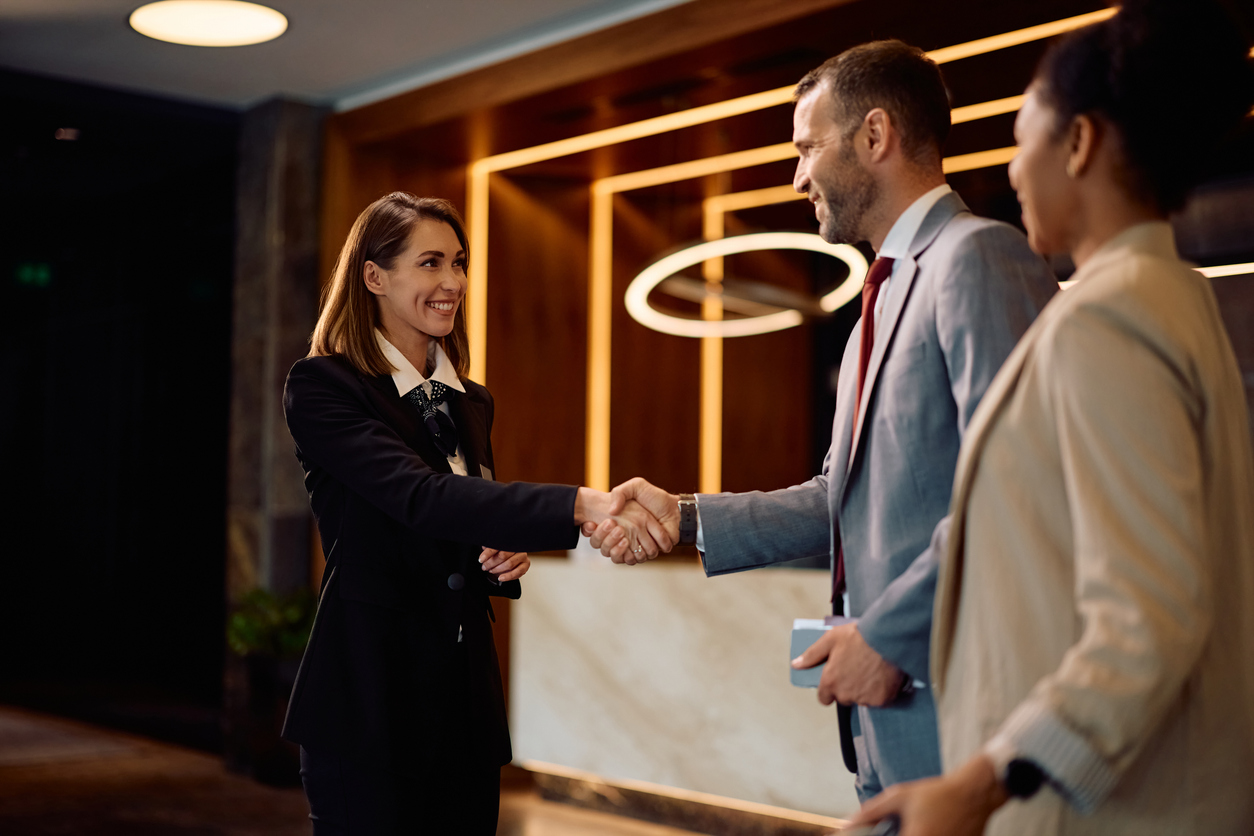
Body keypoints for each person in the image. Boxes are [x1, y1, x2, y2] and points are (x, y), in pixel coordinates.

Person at [587, 41, 1057, 799]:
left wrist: (885, 636)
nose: (797, 175)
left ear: (875, 137)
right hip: (885, 722)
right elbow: (842, 493)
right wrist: (683, 519)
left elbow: (1013, 492)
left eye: (808, 148)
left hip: (960, 714)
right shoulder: (881, 294)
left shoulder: (976, 258)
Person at [850, 2, 1254, 834]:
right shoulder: (1172, 298)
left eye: (1021, 134)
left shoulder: (1108, 319)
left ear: (1078, 144)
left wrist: (982, 783)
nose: (1009, 167)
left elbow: (1148, 618)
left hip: (1111, 808)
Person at [281, 193, 668, 835]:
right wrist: (580, 503)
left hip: (463, 707)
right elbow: (419, 497)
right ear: (374, 276)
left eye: (459, 263)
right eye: (430, 263)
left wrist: (499, 555)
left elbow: (462, 516)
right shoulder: (325, 386)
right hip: (370, 704)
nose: (453, 282)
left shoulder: (471, 400)